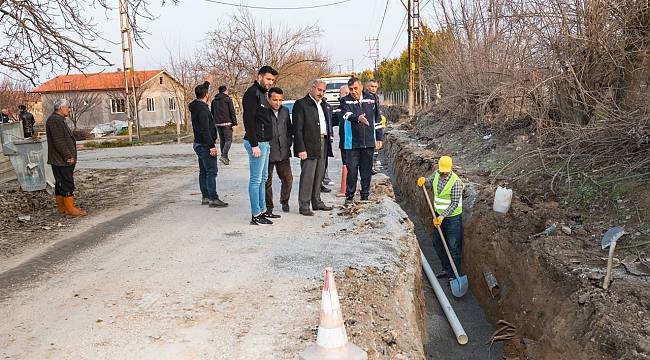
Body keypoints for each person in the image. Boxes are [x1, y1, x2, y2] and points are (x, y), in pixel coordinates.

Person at [417, 156, 465, 282]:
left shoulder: (456, 182)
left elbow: (454, 203)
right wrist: (424, 181)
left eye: (445, 170)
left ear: (450, 168)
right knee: (438, 243)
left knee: (454, 247)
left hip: (452, 219)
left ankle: (454, 276)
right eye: (442, 170)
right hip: (438, 216)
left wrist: (442, 216)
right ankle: (446, 268)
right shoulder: (437, 173)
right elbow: (428, 183)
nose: (443, 172)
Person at [292, 79, 334, 216]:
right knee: (308, 176)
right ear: (312, 88)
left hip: (323, 142)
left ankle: (317, 202)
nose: (321, 93)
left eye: (323, 91)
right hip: (308, 144)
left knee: (319, 175)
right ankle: (304, 205)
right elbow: (297, 129)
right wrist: (300, 149)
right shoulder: (301, 104)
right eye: (319, 90)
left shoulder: (323, 105)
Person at [243, 65, 278, 225]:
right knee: (256, 180)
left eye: (272, 80)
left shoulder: (263, 94)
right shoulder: (252, 93)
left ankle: (263, 211)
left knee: (263, 178)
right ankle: (255, 215)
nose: (270, 82)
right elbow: (248, 120)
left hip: (264, 142)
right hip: (256, 143)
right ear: (259, 77)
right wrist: (254, 144)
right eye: (268, 79)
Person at [339, 77, 383, 204]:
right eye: (351, 89)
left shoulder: (371, 99)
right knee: (352, 171)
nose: (353, 91)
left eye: (356, 89)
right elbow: (346, 115)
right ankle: (350, 195)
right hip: (352, 143)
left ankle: (365, 195)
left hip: (368, 142)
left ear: (361, 87)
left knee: (366, 171)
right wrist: (358, 118)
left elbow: (378, 119)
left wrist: (379, 137)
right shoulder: (345, 101)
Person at [189, 80, 228, 208]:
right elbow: (205, 130)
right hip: (205, 145)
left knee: (203, 171)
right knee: (211, 171)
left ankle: (205, 196)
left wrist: (207, 82)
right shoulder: (204, 111)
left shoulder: (195, 107)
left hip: (198, 143)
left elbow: (203, 91)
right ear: (206, 95)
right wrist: (211, 146)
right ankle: (213, 198)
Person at [46, 99, 87, 217]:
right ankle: (70, 209)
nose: (69, 110)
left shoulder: (58, 120)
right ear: (61, 108)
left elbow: (63, 139)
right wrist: (68, 156)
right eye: (68, 107)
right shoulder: (55, 120)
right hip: (61, 160)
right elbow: (58, 141)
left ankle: (63, 208)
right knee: (66, 183)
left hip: (60, 159)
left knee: (60, 183)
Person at [265, 87, 293, 215]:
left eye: (280, 100)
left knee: (288, 179)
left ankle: (284, 201)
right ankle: (268, 206)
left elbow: (289, 129)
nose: (277, 103)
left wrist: (288, 144)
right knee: (267, 181)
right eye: (275, 100)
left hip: (283, 152)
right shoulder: (264, 111)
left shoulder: (285, 111)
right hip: (268, 152)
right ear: (269, 98)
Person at [211, 85, 238, 165]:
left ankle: (225, 158)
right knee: (228, 140)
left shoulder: (214, 101)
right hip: (227, 123)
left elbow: (212, 112)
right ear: (225, 91)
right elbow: (232, 111)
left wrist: (214, 122)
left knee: (223, 140)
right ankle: (223, 155)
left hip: (217, 124)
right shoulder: (227, 99)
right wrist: (234, 123)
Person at [331, 85, 350, 197]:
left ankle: (349, 188)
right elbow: (331, 121)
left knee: (353, 165)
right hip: (344, 142)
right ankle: (346, 188)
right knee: (346, 164)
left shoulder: (356, 106)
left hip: (355, 142)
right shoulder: (339, 108)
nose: (339, 96)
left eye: (341, 93)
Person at [365, 79, 383, 174]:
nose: (373, 88)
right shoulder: (366, 97)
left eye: (375, 87)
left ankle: (373, 164)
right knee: (371, 148)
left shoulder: (375, 97)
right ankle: (370, 167)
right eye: (371, 86)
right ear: (367, 86)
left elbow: (377, 114)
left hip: (374, 125)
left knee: (375, 148)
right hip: (368, 127)